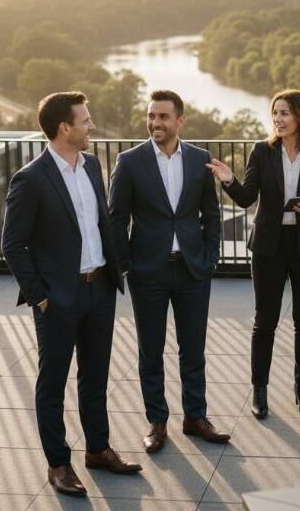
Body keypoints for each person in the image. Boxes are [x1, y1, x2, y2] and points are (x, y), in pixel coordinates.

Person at [2, 92, 141, 498]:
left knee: (95, 377)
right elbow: (13, 245)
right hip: (58, 299)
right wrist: (41, 297)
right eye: (85, 120)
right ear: (64, 127)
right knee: (53, 382)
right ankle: (58, 464)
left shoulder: (92, 165)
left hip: (100, 289)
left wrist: (119, 267)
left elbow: (103, 222)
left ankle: (97, 449)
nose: (91, 125)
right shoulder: (31, 178)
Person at [108, 89, 229, 454]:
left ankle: (195, 416)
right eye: (151, 116)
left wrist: (209, 258)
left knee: (194, 348)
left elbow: (211, 214)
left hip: (193, 269)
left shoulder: (199, 159)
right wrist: (129, 265)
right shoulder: (129, 162)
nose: (155, 123)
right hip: (149, 272)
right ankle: (157, 421)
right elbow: (116, 219)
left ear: (180, 120)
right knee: (151, 350)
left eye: (163, 116)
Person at [206, 89, 300, 419]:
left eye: (284, 113)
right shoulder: (261, 151)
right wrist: (229, 180)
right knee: (265, 321)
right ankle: (260, 390)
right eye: (274, 113)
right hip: (268, 247)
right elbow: (247, 198)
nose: (277, 119)